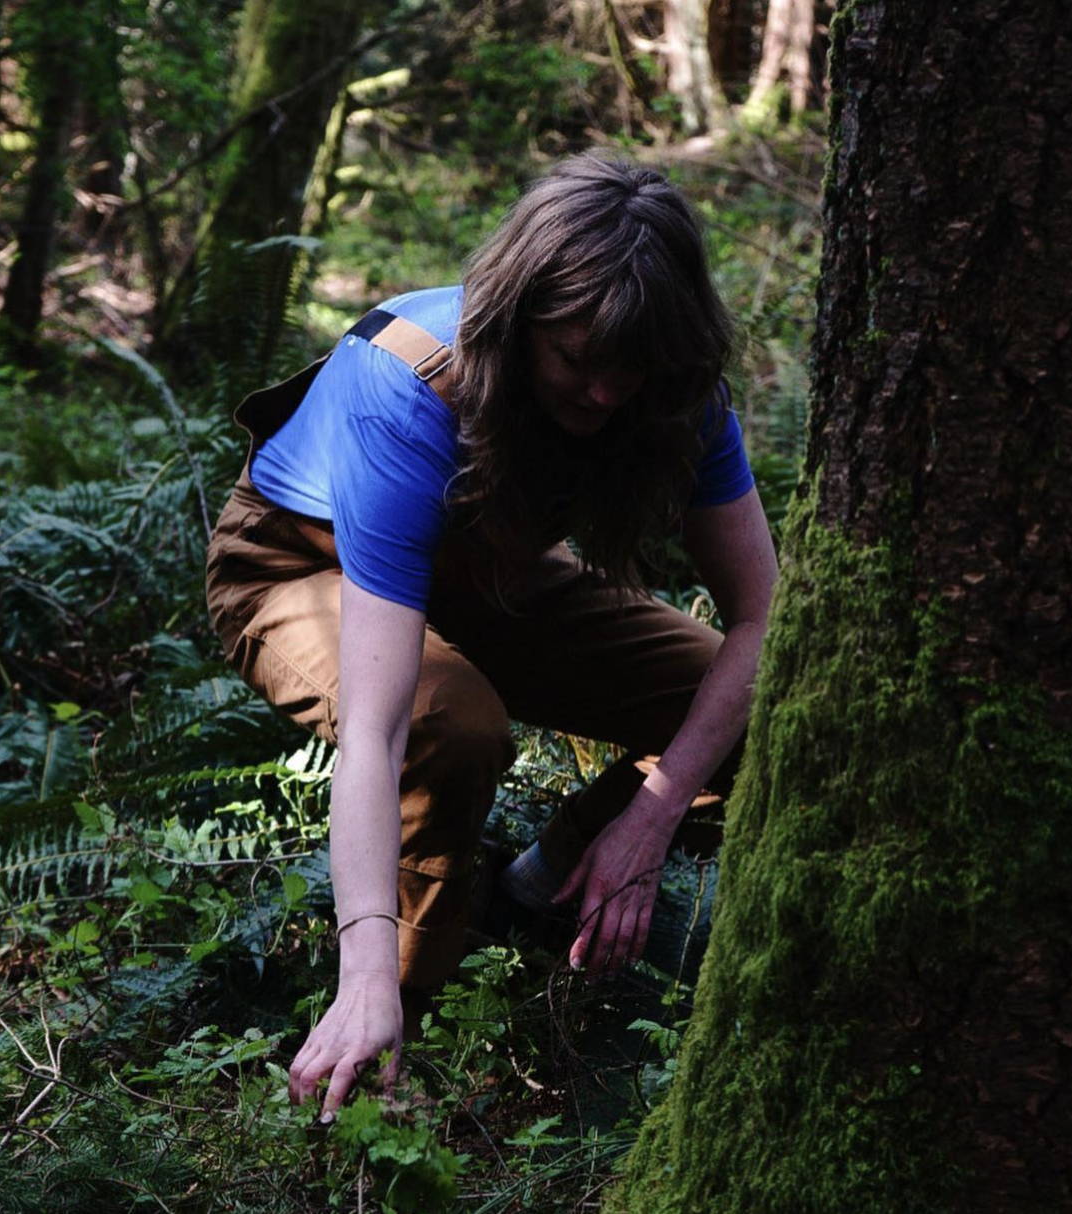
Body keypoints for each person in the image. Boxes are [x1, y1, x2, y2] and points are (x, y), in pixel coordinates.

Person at [204, 154, 778, 1123]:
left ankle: (539, 885)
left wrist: (650, 812)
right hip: (303, 565)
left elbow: (765, 620)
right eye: (576, 359)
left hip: (491, 576)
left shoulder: (676, 392)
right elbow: (381, 728)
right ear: (515, 322)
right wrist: (365, 969)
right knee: (448, 718)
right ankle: (393, 1027)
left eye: (629, 367)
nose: (604, 394)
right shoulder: (414, 384)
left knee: (766, 709)